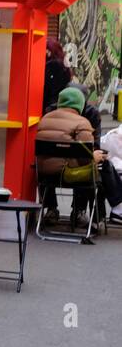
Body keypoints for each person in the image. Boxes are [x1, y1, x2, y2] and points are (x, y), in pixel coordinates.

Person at [36, 85, 122, 227]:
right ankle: (110, 209)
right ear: (81, 103)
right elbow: (85, 157)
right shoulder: (83, 123)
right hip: (70, 173)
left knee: (96, 165)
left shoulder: (45, 117)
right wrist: (93, 156)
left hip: (44, 173)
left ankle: (52, 210)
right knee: (100, 167)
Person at [43, 39, 72, 115]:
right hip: (58, 103)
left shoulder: (52, 65)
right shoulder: (63, 64)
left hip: (48, 104)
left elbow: (48, 86)